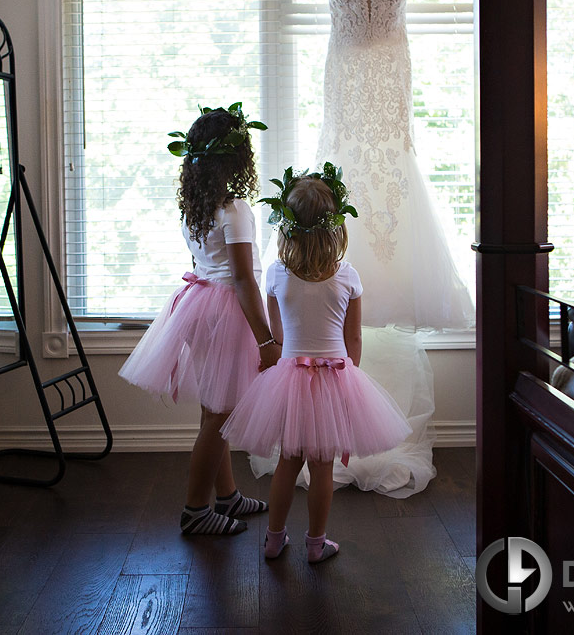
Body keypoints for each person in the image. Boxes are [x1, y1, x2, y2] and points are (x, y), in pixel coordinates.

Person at [221, 165, 413, 562]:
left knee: (287, 465)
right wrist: (350, 380)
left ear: (288, 227)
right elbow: (353, 339)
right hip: (333, 378)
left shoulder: (276, 275)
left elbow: (278, 334)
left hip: (289, 377)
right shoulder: (347, 277)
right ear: (335, 227)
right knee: (322, 469)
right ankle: (315, 544)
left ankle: (274, 540)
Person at [119, 103, 280, 535]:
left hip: (198, 306)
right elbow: (245, 280)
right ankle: (195, 510)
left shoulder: (198, 206)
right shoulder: (235, 209)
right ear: (235, 158)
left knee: (214, 408)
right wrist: (267, 341)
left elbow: (205, 261)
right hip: (226, 311)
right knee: (220, 414)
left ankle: (225, 496)